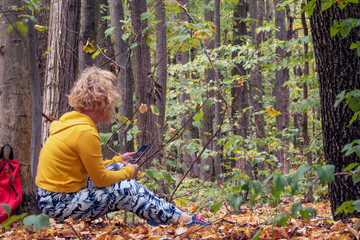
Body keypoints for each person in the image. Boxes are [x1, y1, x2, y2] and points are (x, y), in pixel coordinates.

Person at [35, 66, 209, 227]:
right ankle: (183, 219)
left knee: (118, 167)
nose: (114, 108)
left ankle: (160, 214)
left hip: (51, 197)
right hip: (57, 205)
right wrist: (129, 172)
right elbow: (100, 179)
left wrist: (119, 160)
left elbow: (85, 168)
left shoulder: (72, 123)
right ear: (102, 102)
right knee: (125, 189)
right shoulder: (85, 132)